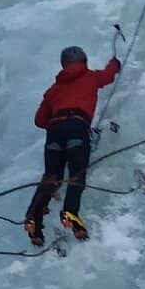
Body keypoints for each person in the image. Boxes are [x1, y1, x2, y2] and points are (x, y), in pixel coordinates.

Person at [23, 46, 121, 245]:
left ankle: (34, 216)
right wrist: (115, 63)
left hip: (54, 131)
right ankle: (70, 213)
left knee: (52, 177)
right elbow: (109, 75)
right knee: (77, 173)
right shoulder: (90, 77)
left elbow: (39, 120)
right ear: (84, 61)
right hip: (76, 126)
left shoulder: (53, 90)